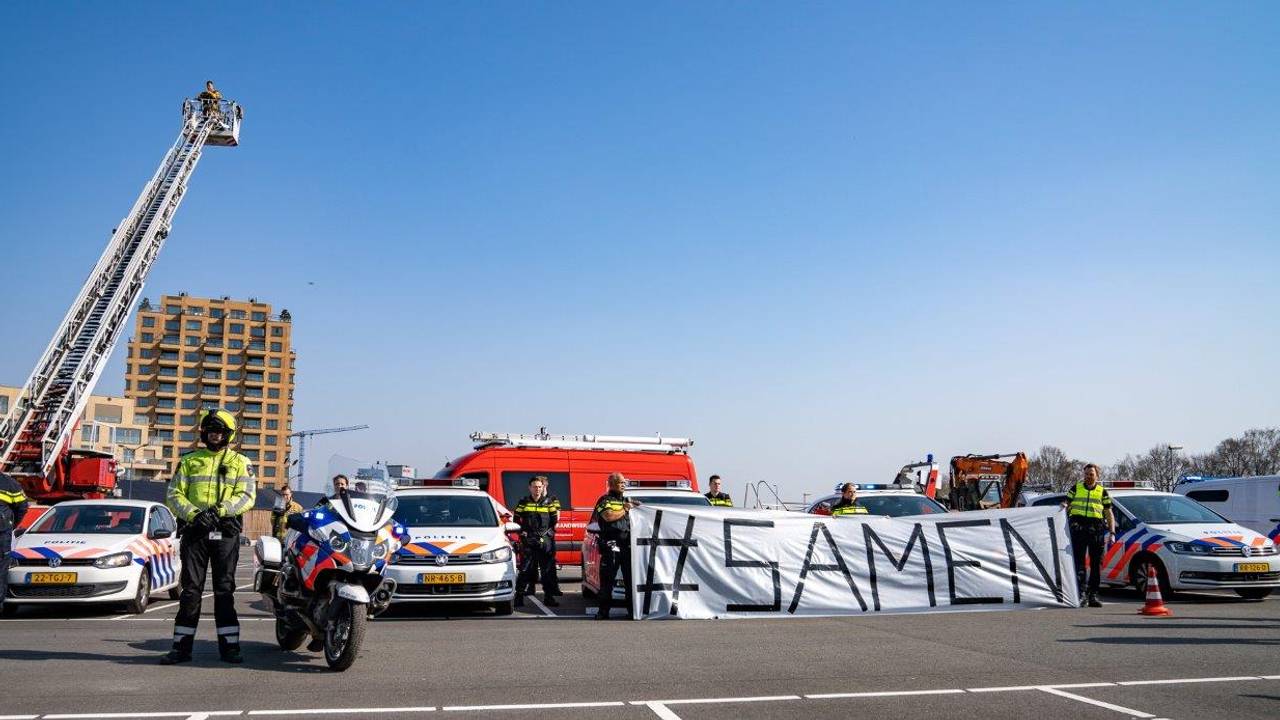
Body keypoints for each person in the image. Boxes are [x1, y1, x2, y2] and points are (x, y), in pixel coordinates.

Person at [160, 409, 256, 665]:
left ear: (229, 434)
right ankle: (180, 648)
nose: (215, 435)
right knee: (190, 591)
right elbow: (174, 494)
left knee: (224, 590)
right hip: (195, 532)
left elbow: (247, 496)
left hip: (226, 531)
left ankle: (230, 648)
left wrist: (220, 511)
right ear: (204, 433)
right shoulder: (189, 461)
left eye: (220, 431)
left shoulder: (240, 462)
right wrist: (194, 515)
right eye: (211, 430)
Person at [1062, 463, 1116, 608]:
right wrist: (1065, 505)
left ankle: (1093, 595)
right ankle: (1081, 595)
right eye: (1086, 474)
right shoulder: (1076, 488)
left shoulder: (1102, 492)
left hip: (1096, 531)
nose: (1088, 477)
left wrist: (1112, 532)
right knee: (1079, 564)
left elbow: (1108, 513)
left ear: (1097, 476)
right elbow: (1066, 504)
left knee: (1096, 565)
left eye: (1091, 474)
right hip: (1078, 529)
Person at [512, 476, 562, 608]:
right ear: (530, 488)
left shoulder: (549, 502)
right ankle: (519, 597)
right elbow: (516, 519)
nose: (537, 489)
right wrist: (522, 532)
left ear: (543, 487)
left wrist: (548, 534)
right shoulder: (523, 502)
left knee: (547, 571)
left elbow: (554, 521)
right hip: (529, 540)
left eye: (539, 487)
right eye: (535, 487)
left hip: (545, 541)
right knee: (525, 569)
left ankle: (549, 597)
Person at [593, 472, 637, 620]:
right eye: (621, 482)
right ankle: (603, 612)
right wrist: (625, 509)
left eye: (625, 482)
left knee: (630, 580)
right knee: (607, 581)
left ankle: (633, 612)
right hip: (610, 545)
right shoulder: (604, 500)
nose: (624, 485)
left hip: (627, 546)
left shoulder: (627, 500)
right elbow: (608, 516)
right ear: (612, 484)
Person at [0, 472, 30, 617]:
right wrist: (10, 525)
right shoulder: (9, 483)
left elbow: (22, 506)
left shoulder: (9, 483)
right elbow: (22, 507)